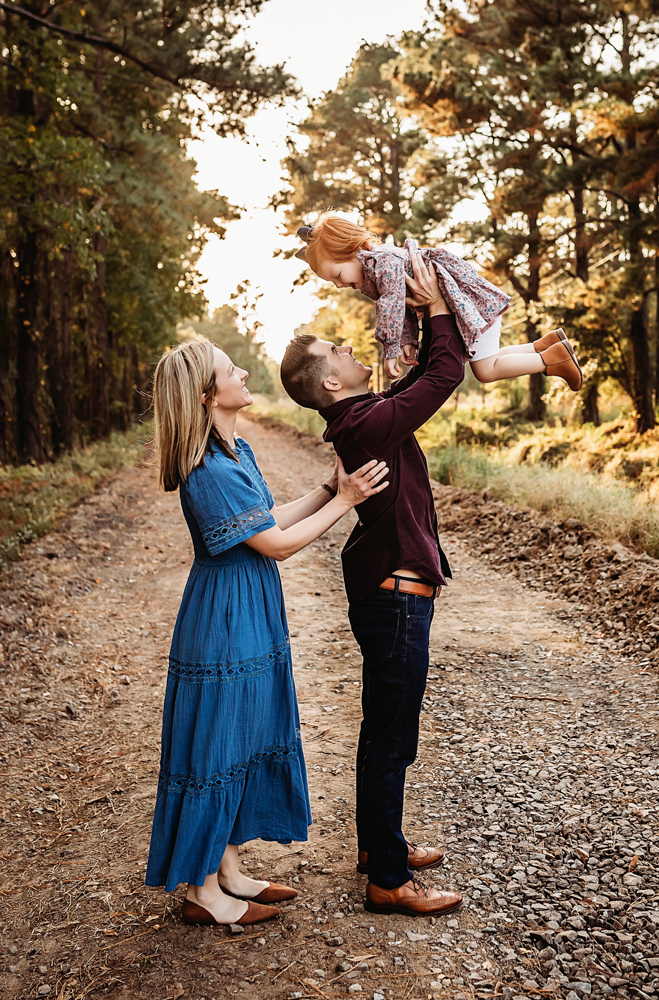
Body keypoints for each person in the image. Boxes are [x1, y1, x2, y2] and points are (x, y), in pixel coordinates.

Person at [146, 339, 389, 927]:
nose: (245, 371)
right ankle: (204, 892)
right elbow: (276, 546)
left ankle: (226, 867)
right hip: (223, 615)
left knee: (245, 735)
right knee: (215, 743)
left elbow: (267, 519)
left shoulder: (234, 452)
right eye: (233, 370)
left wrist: (328, 490)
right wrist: (348, 502)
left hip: (249, 607)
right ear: (207, 395)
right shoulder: (206, 469)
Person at [280, 252, 471, 918]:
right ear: (329, 382)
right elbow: (444, 373)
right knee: (391, 736)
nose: (348, 344)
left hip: (387, 593)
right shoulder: (363, 422)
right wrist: (443, 309)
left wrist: (422, 313)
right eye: (336, 347)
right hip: (393, 598)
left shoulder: (368, 414)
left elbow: (418, 378)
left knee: (385, 731)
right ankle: (387, 880)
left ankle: (377, 847)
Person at [295, 212, 582, 389]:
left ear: (354, 251)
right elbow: (403, 307)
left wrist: (391, 349)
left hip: (467, 306)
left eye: (338, 274)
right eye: (332, 282)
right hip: (466, 305)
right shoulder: (381, 268)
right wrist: (409, 340)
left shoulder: (382, 261)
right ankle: (542, 346)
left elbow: (392, 304)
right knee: (485, 359)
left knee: (485, 370)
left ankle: (552, 360)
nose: (340, 284)